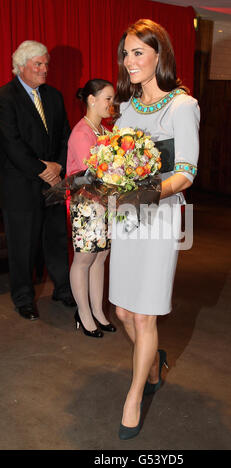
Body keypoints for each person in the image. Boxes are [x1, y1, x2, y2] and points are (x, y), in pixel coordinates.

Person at [109, 19, 200, 439]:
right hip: (126, 218)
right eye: (126, 53)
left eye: (138, 53)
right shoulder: (127, 108)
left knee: (144, 315)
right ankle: (153, 360)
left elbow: (185, 173)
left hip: (160, 218)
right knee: (122, 311)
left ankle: (135, 394)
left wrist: (145, 195)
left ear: (159, 56)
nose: (129, 61)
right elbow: (113, 163)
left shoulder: (182, 106)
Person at [0, 40, 75, 321]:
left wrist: (58, 166)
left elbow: (65, 136)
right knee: (23, 245)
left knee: (55, 238)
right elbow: (11, 143)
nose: (45, 69)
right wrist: (40, 169)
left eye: (46, 64)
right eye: (38, 65)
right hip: (20, 186)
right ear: (21, 67)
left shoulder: (54, 96)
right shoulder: (5, 98)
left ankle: (63, 289)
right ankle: (23, 298)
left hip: (53, 181)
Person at [67, 79, 116, 337]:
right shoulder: (81, 133)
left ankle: (98, 311)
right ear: (91, 100)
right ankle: (83, 314)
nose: (111, 104)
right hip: (86, 205)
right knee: (84, 258)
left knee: (101, 256)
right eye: (107, 98)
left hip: (106, 204)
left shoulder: (104, 131)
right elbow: (93, 175)